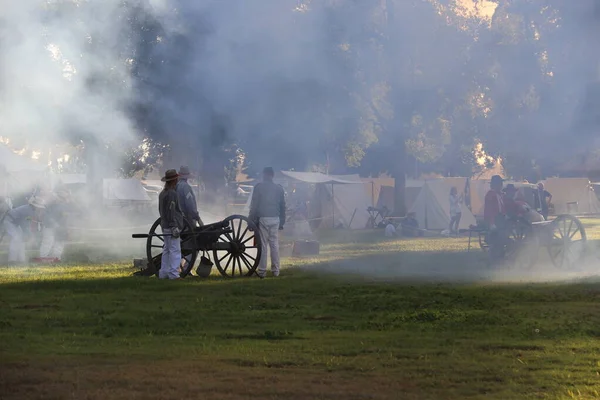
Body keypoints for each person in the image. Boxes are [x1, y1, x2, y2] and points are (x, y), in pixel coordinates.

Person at [249, 167, 286, 278]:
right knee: (274, 245)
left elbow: (254, 206)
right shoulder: (279, 188)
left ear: (264, 174)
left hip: (263, 218)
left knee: (263, 246)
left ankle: (262, 271)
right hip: (275, 218)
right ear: (272, 175)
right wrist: (282, 221)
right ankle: (276, 271)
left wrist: (250, 220)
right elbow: (283, 206)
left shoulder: (259, 187)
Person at [3, 196, 45, 264]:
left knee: (21, 239)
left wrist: (28, 235)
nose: (39, 208)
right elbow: (25, 225)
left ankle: (21, 259)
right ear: (35, 206)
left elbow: (25, 224)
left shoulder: (31, 209)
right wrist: (29, 235)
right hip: (9, 222)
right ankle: (12, 260)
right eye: (39, 207)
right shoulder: (28, 210)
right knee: (16, 238)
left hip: (16, 223)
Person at [158, 169, 184, 280]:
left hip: (165, 225)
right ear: (174, 180)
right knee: (175, 250)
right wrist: (174, 225)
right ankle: (174, 274)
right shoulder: (172, 194)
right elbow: (171, 210)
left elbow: (161, 210)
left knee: (167, 250)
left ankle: (163, 273)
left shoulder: (162, 193)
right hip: (172, 225)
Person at [38, 188, 70, 262]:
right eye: (61, 197)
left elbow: (64, 217)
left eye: (63, 198)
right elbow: (46, 216)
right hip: (49, 226)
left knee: (59, 241)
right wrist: (54, 223)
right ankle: (43, 258)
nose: (62, 199)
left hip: (60, 227)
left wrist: (64, 227)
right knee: (48, 241)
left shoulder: (63, 206)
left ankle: (56, 257)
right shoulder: (50, 204)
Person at [483, 175, 507, 262]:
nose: (501, 185)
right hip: (493, 220)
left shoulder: (500, 194)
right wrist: (492, 223)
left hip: (500, 219)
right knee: (496, 241)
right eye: (500, 184)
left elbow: (502, 208)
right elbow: (490, 210)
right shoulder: (491, 194)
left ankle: (500, 256)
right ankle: (493, 259)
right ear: (495, 184)